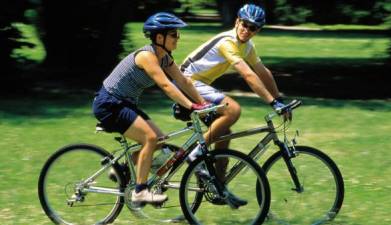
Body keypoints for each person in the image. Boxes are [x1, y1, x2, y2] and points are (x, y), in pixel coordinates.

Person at [92, 12, 208, 205]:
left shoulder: (165, 58)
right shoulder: (147, 56)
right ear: (159, 37)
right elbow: (166, 85)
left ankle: (121, 170)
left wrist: (204, 104)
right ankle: (140, 191)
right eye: (174, 34)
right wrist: (190, 105)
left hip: (124, 103)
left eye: (177, 34)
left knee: (160, 140)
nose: (177, 38)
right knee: (150, 138)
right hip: (109, 103)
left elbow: (183, 81)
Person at [179, 4, 292, 171]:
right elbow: (248, 75)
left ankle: (219, 186)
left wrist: (279, 99)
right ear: (237, 21)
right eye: (244, 24)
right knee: (233, 110)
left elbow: (262, 71)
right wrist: (272, 102)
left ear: (257, 30)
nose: (246, 30)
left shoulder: (247, 46)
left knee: (223, 133)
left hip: (197, 84)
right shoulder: (228, 42)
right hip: (186, 82)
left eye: (252, 28)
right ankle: (196, 153)